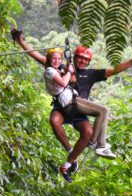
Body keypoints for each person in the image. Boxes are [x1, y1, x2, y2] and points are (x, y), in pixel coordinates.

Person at [12, 28, 132, 182]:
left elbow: (115, 70)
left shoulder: (92, 74)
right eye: (80, 58)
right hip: (62, 105)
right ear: (75, 58)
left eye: (86, 60)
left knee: (87, 133)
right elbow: (37, 55)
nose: (82, 61)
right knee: (54, 120)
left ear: (89, 62)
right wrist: (21, 42)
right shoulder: (61, 67)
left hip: (80, 108)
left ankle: (69, 163)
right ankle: (72, 150)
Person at [42, 47, 113, 182]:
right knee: (102, 111)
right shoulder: (53, 70)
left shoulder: (61, 69)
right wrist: (21, 42)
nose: (57, 61)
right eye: (54, 59)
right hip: (68, 103)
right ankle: (97, 144)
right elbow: (62, 80)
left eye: (58, 59)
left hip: (74, 103)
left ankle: (67, 165)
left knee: (88, 130)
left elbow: (114, 70)